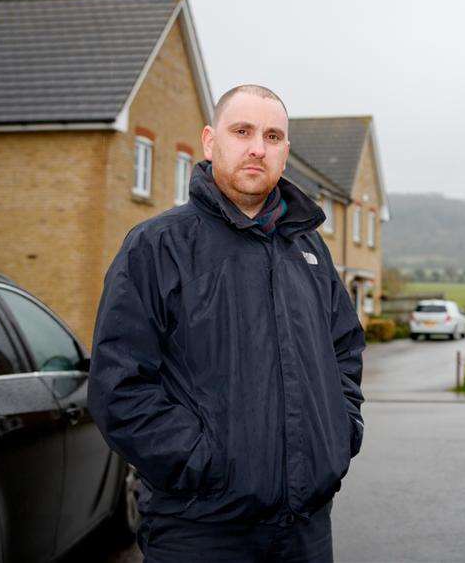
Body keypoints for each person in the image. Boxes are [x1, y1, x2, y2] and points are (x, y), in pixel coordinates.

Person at [88, 84, 365, 562]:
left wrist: (341, 433)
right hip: (201, 528)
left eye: (273, 136)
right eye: (243, 131)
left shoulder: (309, 250)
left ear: (285, 153)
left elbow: (344, 350)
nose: (258, 147)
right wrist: (203, 463)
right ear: (211, 141)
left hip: (305, 530)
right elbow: (119, 386)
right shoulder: (158, 247)